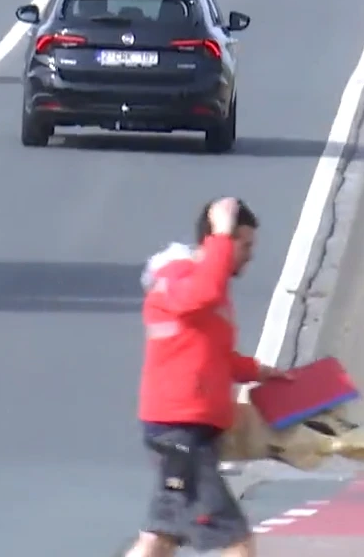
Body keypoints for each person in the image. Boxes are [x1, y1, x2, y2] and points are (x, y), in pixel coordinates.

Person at [127, 197, 286, 557]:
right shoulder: (180, 278)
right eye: (244, 245)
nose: (250, 255)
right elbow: (202, 293)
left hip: (186, 428)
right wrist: (221, 233)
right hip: (183, 431)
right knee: (236, 541)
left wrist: (258, 372)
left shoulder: (205, 289)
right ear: (221, 239)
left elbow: (215, 354)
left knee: (161, 535)